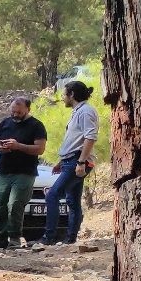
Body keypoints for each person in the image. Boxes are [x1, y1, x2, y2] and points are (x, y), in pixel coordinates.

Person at [41, 79, 99, 246]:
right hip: (71, 160)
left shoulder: (86, 111)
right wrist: (61, 160)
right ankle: (70, 238)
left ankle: (49, 237)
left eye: (64, 94)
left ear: (71, 94)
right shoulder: (77, 111)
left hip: (78, 160)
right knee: (72, 200)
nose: (62, 98)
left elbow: (90, 137)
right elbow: (76, 139)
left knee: (52, 195)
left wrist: (81, 162)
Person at [0, 96, 47, 249]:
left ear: (28, 109)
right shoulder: (5, 123)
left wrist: (18, 146)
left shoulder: (36, 126)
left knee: (15, 204)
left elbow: (40, 149)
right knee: (0, 203)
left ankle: (14, 237)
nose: (15, 115)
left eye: (19, 112)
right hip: (4, 170)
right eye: (13, 112)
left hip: (25, 172)